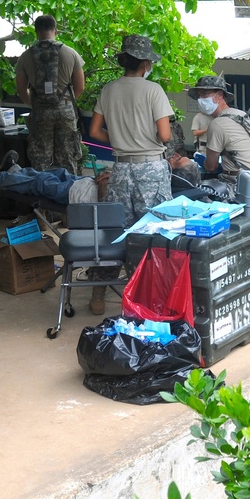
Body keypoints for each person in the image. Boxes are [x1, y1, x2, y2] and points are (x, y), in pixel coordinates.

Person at [89, 34, 172, 315]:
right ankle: (151, 297)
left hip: (121, 168)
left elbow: (94, 132)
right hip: (151, 168)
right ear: (146, 63)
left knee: (117, 232)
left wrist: (121, 141)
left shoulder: (108, 90)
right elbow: (164, 134)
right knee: (156, 233)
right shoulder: (154, 91)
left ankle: (99, 294)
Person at [15, 15, 86, 174]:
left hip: (40, 112)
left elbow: (21, 89)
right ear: (56, 30)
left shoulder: (25, 56)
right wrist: (64, 103)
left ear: (36, 31)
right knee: (67, 157)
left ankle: (41, 195)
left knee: (41, 158)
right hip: (66, 112)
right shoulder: (70, 53)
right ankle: (68, 194)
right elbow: (80, 87)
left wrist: (33, 104)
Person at [0, 151, 106, 206]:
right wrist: (107, 177)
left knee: (40, 181)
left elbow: (105, 200)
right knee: (56, 173)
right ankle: (13, 171)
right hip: (85, 183)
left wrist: (104, 183)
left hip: (79, 196)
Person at [188, 74, 250, 179]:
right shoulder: (241, 115)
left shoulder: (217, 124)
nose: (200, 99)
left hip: (237, 182)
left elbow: (211, 166)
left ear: (220, 95)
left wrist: (201, 160)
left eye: (205, 94)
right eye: (199, 96)